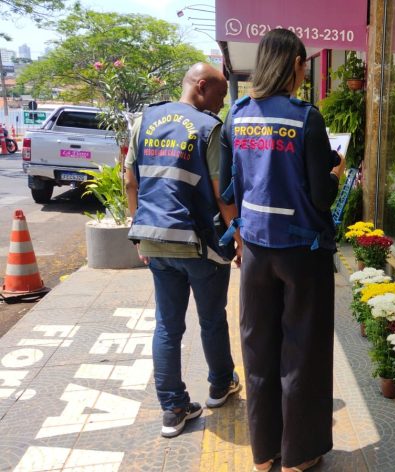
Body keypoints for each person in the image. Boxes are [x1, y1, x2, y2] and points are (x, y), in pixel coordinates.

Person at [219, 29, 344, 472]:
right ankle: (297, 455)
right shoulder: (306, 118)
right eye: (304, 62)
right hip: (302, 252)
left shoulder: (236, 116)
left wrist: (238, 236)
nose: (305, 69)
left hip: (254, 250)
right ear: (294, 64)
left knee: (257, 347)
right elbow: (320, 195)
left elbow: (227, 188)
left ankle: (264, 453)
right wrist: (336, 172)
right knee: (302, 351)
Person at [125, 62, 242, 438]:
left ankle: (173, 408)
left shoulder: (144, 121)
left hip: (155, 240)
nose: (221, 106)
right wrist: (237, 236)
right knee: (211, 319)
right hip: (201, 244)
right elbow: (222, 194)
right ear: (202, 86)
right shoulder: (208, 128)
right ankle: (220, 385)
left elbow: (130, 181)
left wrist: (138, 230)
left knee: (167, 326)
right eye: (220, 97)